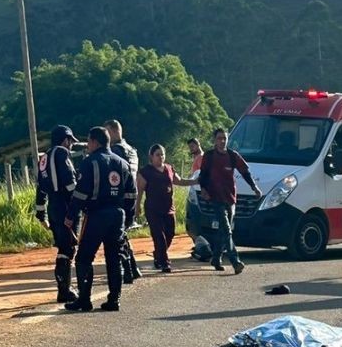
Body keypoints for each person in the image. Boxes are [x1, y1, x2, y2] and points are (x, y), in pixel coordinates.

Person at [64, 126, 137, 312]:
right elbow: (131, 194)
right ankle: (114, 300)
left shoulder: (90, 162)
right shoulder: (122, 163)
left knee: (84, 258)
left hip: (96, 215)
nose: (87, 145)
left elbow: (80, 194)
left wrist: (71, 216)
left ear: (95, 142)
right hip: (117, 215)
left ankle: (84, 300)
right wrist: (128, 217)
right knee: (114, 258)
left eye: (88, 141)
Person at [198, 127, 262, 274]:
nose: (222, 141)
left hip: (230, 198)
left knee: (223, 230)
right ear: (214, 140)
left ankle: (216, 258)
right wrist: (203, 189)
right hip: (215, 197)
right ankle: (235, 261)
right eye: (219, 138)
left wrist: (254, 188)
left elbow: (245, 172)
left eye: (224, 138)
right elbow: (203, 175)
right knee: (227, 230)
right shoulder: (209, 156)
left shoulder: (233, 156)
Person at [35, 124, 80, 302]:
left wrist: (41, 213)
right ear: (65, 140)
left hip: (53, 207)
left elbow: (40, 189)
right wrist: (79, 204)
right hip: (65, 206)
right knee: (68, 247)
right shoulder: (62, 153)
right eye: (71, 141)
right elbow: (70, 183)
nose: (71, 145)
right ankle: (65, 290)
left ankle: (64, 288)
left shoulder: (44, 158)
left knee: (63, 246)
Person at [136, 144, 198, 273]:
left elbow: (179, 181)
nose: (160, 157)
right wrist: (137, 208)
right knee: (159, 236)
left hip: (169, 208)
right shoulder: (145, 172)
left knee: (170, 234)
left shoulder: (169, 169)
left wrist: (195, 181)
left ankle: (158, 255)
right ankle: (165, 262)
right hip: (153, 209)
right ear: (151, 157)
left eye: (162, 154)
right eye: (157, 155)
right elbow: (140, 191)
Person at [104, 119, 142, 283]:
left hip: (119, 198)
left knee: (117, 237)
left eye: (106, 132)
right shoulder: (131, 150)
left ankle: (127, 269)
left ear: (113, 131)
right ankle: (132, 268)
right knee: (122, 235)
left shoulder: (116, 151)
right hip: (130, 197)